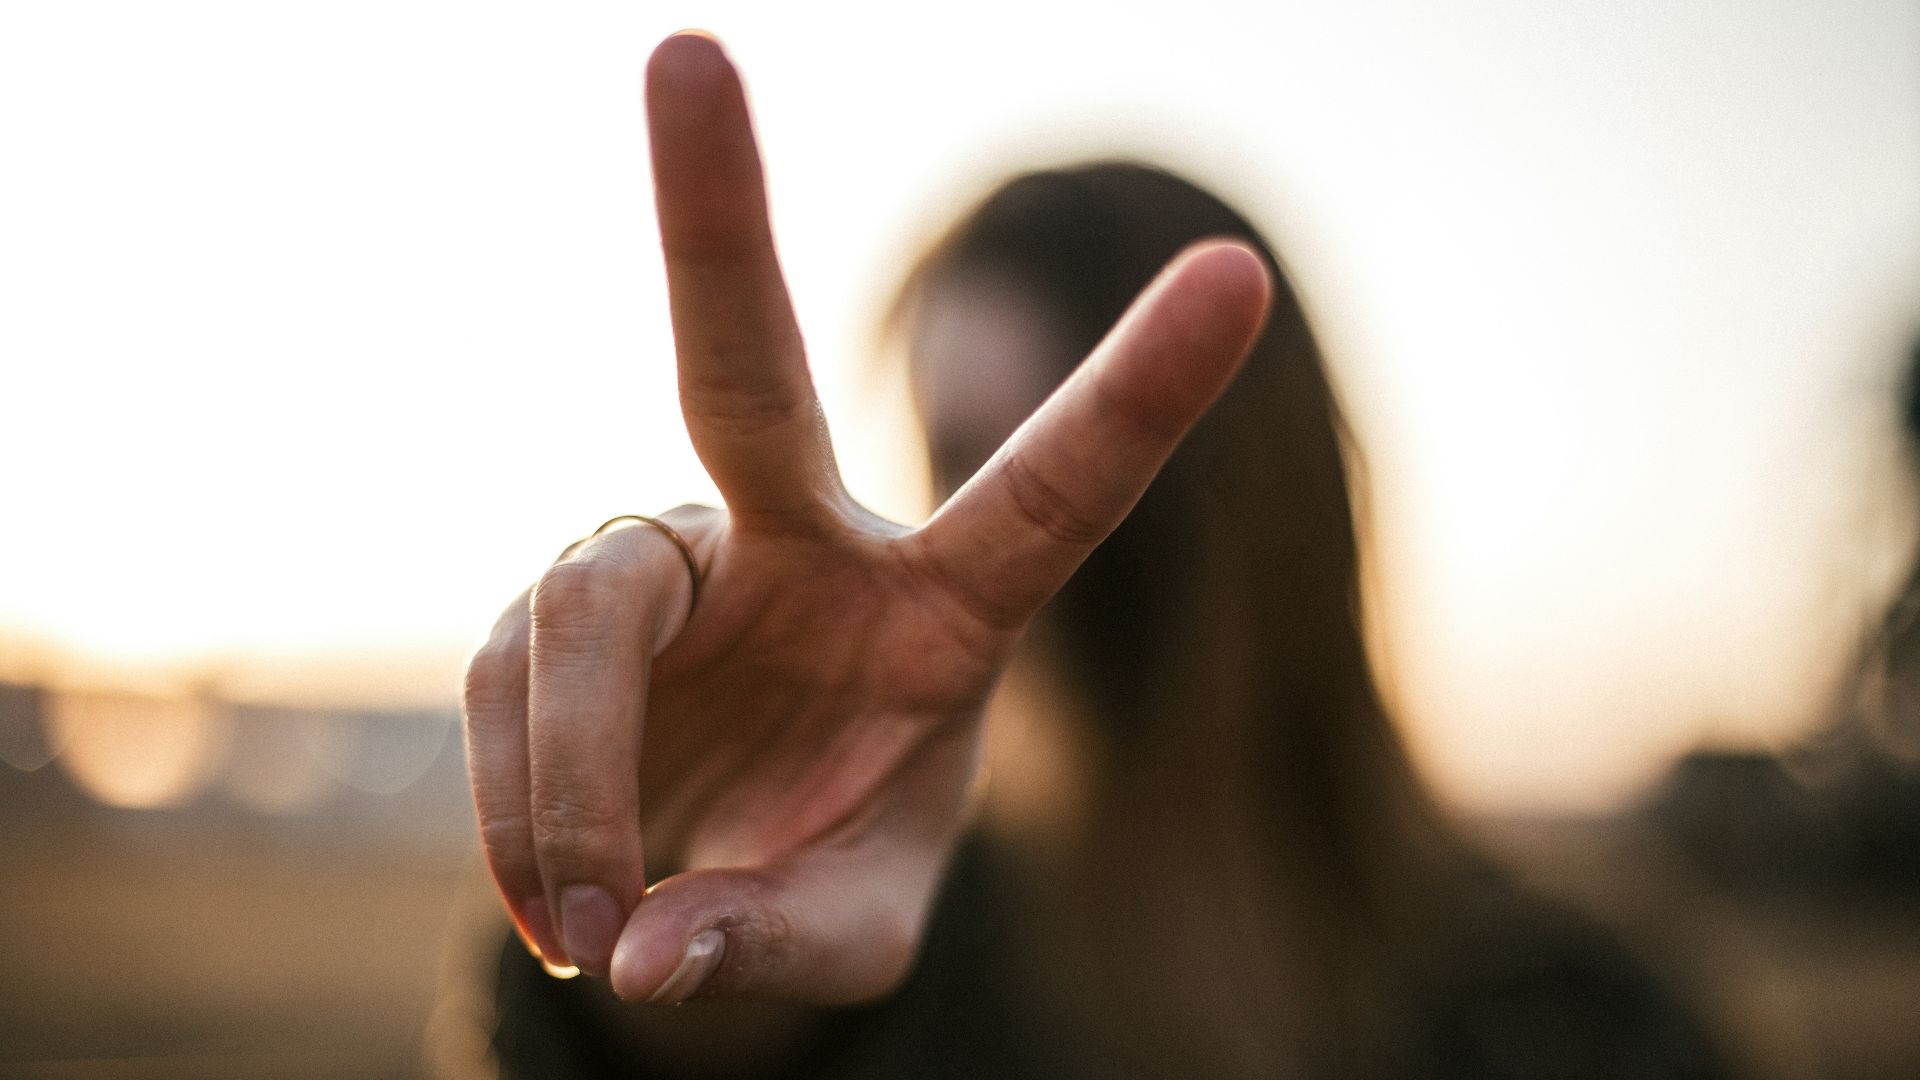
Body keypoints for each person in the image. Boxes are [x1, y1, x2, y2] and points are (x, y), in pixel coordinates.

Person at [460, 31, 1738, 1079]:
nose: (994, 552)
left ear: (1263, 497)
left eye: (1079, 461)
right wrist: (683, 940)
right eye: (955, 469)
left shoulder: (1579, 1018)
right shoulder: (898, 984)